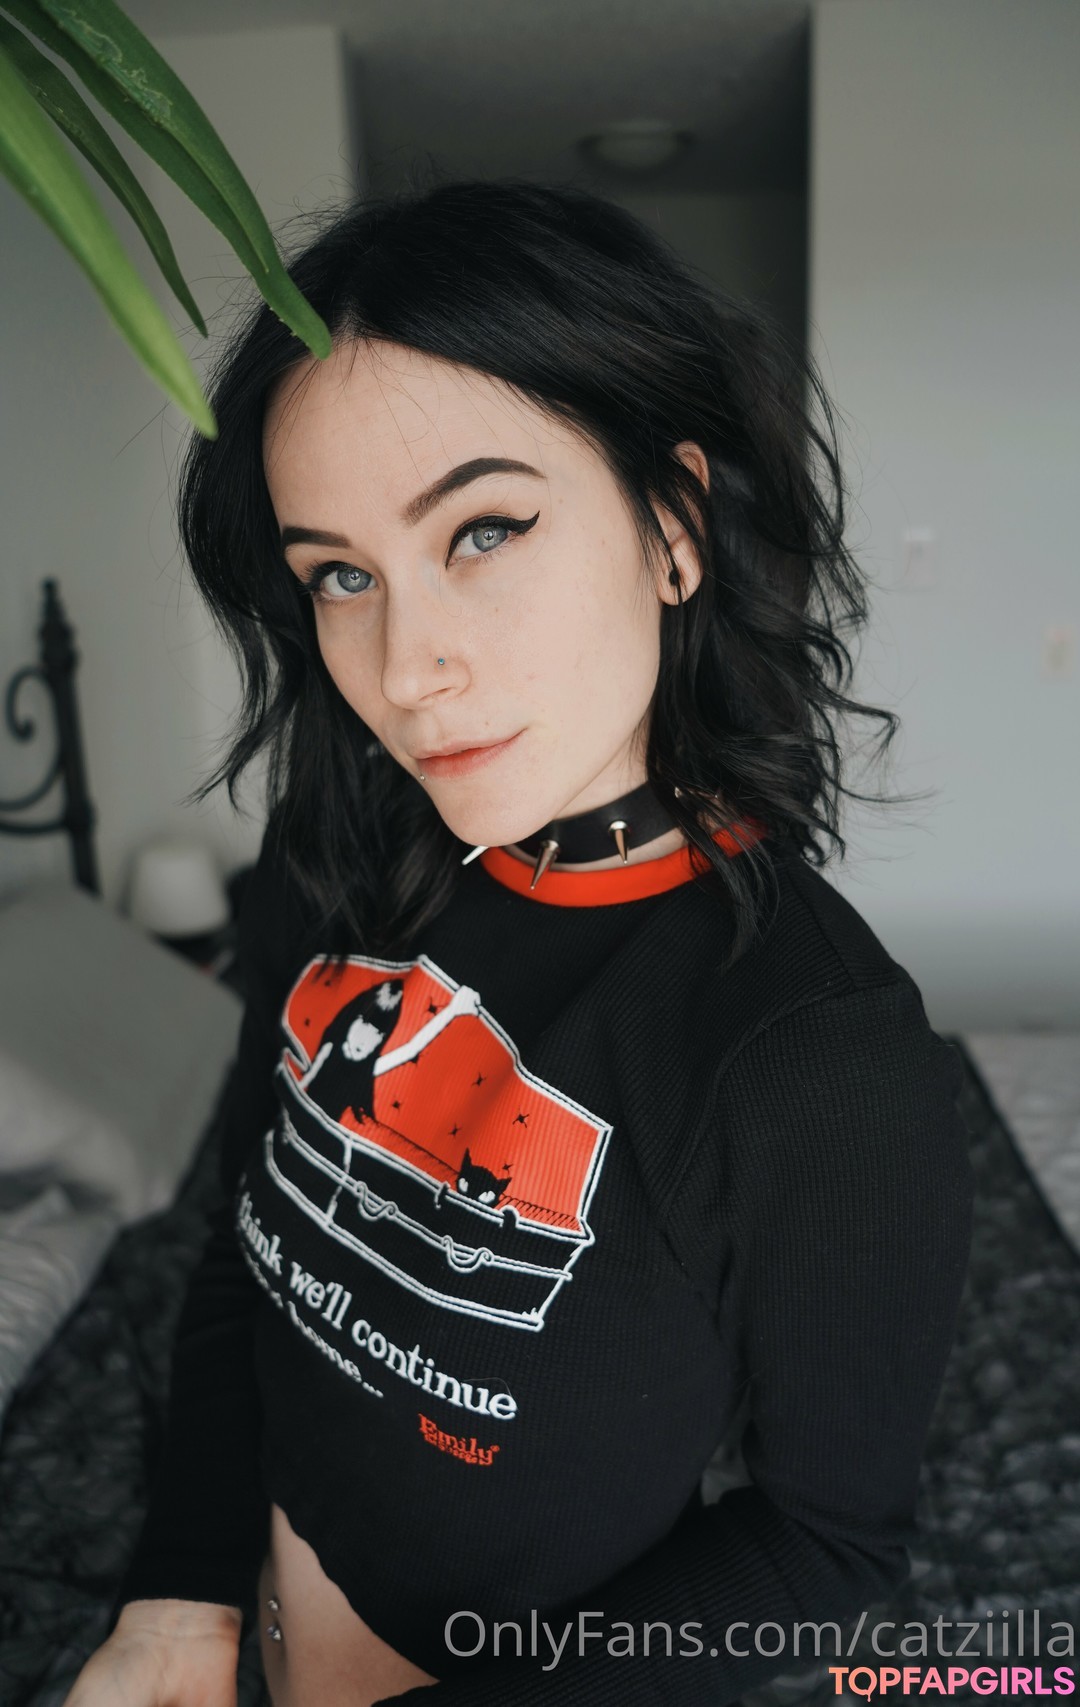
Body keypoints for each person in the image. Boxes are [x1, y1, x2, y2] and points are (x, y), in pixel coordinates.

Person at [64, 177, 975, 1707]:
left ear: (673, 526)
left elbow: (826, 1544)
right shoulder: (331, 867)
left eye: (482, 530)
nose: (406, 668)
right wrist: (181, 1591)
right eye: (340, 575)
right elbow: (248, 1250)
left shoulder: (814, 1056)